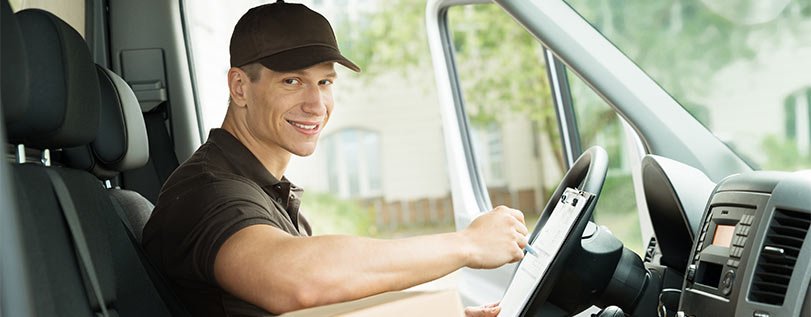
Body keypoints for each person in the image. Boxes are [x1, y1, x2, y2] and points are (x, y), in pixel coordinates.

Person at [141, 1, 529, 316]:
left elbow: (322, 303)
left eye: (325, 82)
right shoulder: (208, 192)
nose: (316, 104)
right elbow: (297, 280)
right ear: (240, 87)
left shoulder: (262, 190)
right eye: (292, 81)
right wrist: (468, 245)